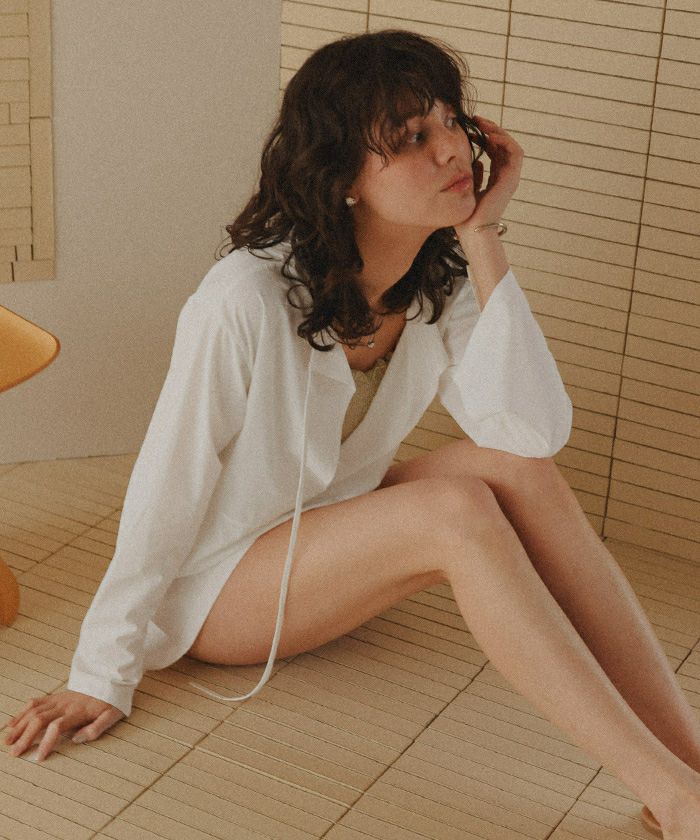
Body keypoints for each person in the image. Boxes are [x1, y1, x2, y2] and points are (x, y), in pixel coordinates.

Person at [3, 28, 699, 837]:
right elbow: (169, 480)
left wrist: (481, 239)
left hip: (325, 535)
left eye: (450, 121)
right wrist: (101, 671)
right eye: (411, 138)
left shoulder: (438, 277)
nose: (452, 150)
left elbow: (530, 433)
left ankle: (688, 764)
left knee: (518, 474)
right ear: (342, 180)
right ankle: (676, 801)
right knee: (453, 511)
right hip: (220, 590)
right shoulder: (244, 299)